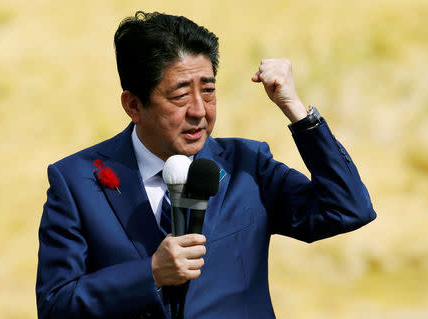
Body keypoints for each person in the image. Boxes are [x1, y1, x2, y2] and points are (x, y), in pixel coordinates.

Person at [36, 11, 376, 319]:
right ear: (133, 105)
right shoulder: (76, 181)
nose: (200, 110)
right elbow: (55, 306)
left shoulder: (249, 166)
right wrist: (150, 272)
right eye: (180, 95)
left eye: (209, 90)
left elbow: (347, 209)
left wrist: (297, 111)